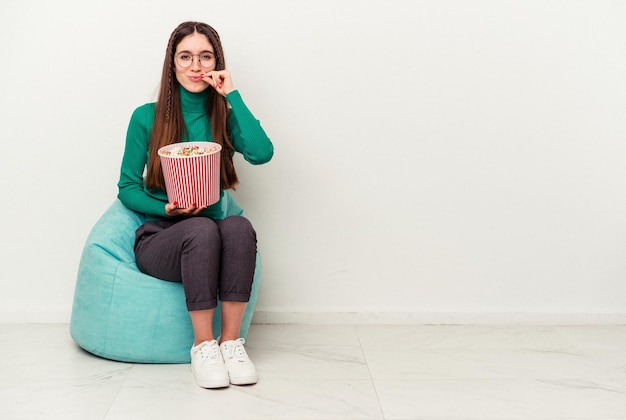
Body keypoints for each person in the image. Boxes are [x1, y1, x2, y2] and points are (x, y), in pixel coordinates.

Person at [117, 21, 274, 389]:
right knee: (202, 228)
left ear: (217, 63)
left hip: (211, 239)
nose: (195, 66)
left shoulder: (222, 115)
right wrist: (167, 209)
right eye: (185, 57)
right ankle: (202, 346)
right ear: (172, 64)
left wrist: (231, 94)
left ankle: (231, 343)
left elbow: (262, 153)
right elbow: (126, 187)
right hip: (160, 238)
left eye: (205, 57)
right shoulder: (146, 116)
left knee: (238, 227)